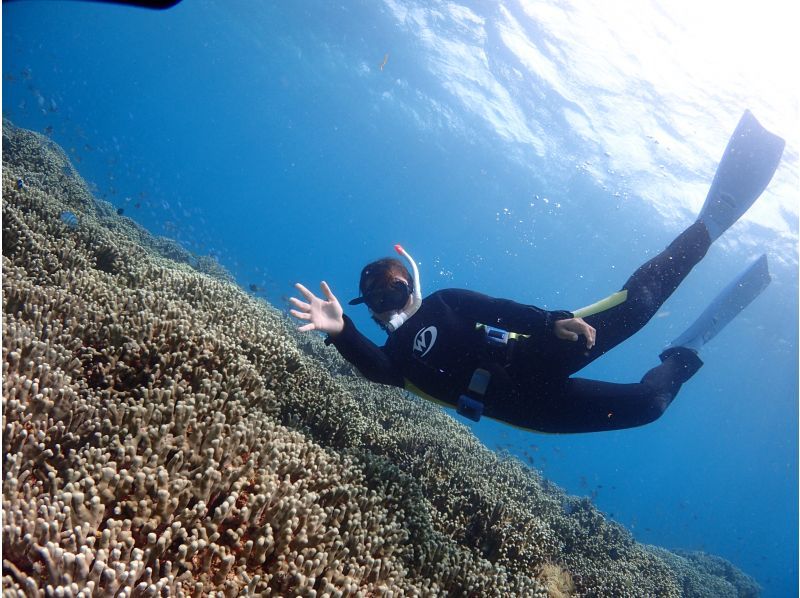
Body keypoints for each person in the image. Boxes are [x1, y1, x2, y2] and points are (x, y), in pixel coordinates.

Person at [290, 110, 784, 433]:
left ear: (411, 286)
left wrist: (551, 321)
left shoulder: (442, 301)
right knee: (648, 408)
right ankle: (687, 350)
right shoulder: (394, 354)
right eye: (374, 303)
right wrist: (340, 331)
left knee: (635, 308)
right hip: (529, 410)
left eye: (392, 293)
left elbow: (498, 311)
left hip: (536, 356)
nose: (386, 308)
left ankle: (709, 224)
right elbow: (377, 370)